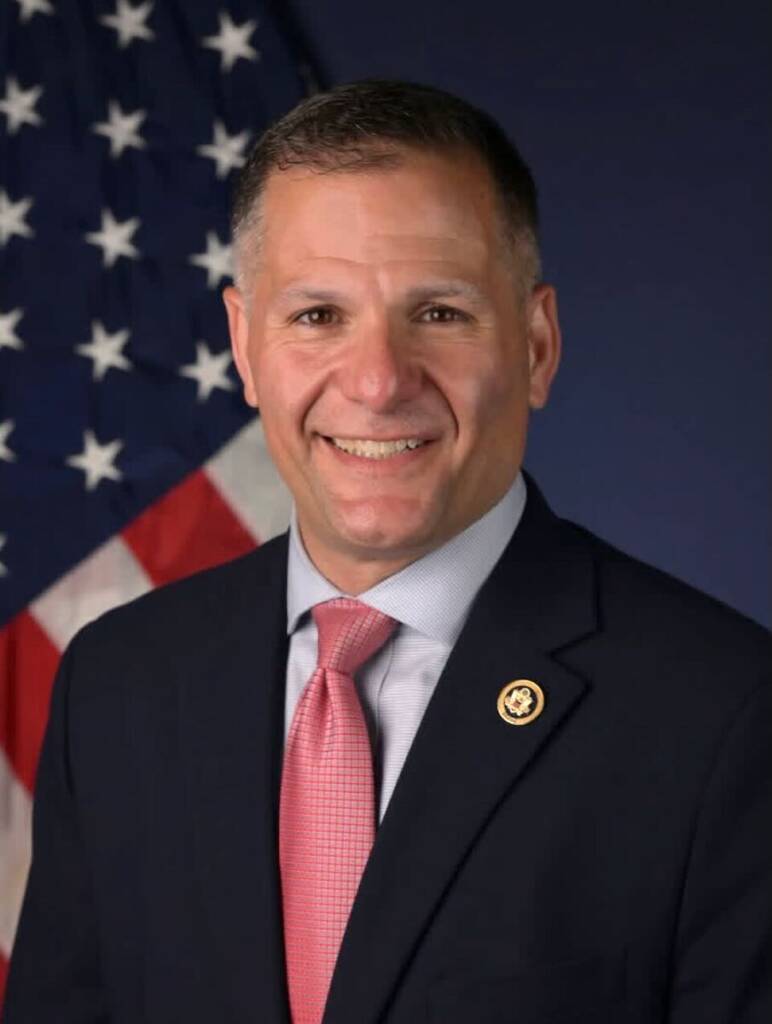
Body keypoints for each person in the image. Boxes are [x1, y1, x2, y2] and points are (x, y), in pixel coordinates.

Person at [5, 79, 770, 1024]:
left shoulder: (727, 717)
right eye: (317, 316)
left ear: (536, 346)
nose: (376, 382)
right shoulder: (117, 688)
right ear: (245, 347)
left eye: (439, 313)